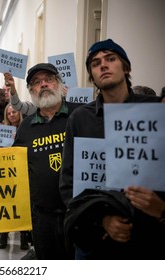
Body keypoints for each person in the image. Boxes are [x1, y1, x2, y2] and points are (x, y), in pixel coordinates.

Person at [59, 38, 165, 259]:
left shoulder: (155, 110)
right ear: (92, 76)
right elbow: (69, 184)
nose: (103, 65)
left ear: (125, 67)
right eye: (95, 63)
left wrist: (161, 208)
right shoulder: (80, 118)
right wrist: (101, 220)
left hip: (148, 237)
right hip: (95, 239)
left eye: (110, 58)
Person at [0, 63, 82, 260]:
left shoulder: (80, 114)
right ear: (31, 91)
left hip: (79, 214)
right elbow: (14, 166)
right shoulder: (26, 127)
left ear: (59, 84)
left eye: (49, 80)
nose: (44, 85)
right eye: (37, 83)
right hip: (42, 217)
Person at [0, 103, 31, 250]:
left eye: (14, 112)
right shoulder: (0, 129)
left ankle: (24, 235)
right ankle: (4, 234)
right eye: (9, 113)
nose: (11, 114)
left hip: (23, 170)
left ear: (20, 113)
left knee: (22, 204)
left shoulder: (28, 128)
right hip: (6, 172)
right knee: (5, 204)